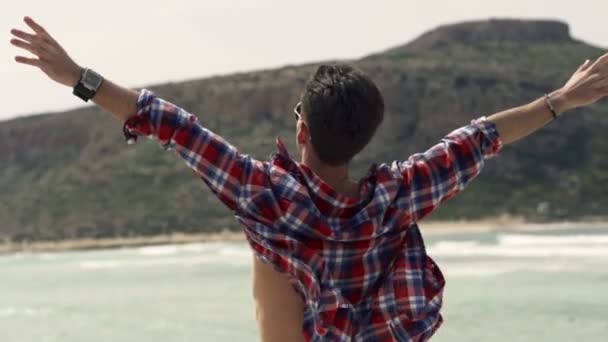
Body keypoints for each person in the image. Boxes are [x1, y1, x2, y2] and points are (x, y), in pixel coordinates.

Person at [9, 16, 608, 342]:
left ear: (301, 130)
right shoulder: (398, 195)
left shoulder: (267, 195)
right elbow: (481, 139)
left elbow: (170, 123)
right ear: (364, 137)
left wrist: (78, 77)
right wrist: (560, 99)